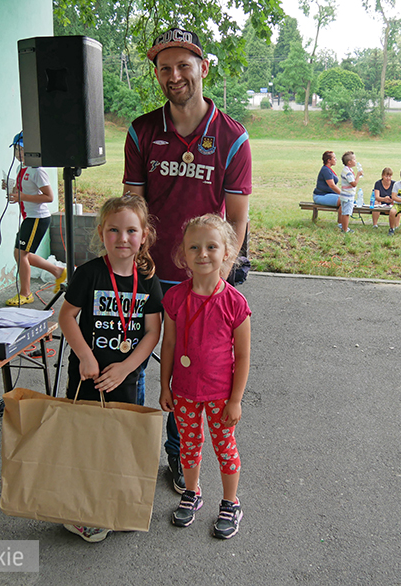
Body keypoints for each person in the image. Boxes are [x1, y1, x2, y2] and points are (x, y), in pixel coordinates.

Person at [122, 27, 251, 495]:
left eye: (184, 65)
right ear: (156, 72)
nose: (174, 75)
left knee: (191, 371)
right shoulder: (141, 131)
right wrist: (128, 260)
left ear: (203, 68)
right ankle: (131, 455)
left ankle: (179, 459)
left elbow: (236, 218)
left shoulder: (232, 137)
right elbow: (132, 205)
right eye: (164, 67)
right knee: (134, 363)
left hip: (200, 280)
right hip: (151, 274)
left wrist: (219, 275)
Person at [57, 195, 163, 543]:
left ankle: (118, 506)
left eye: (131, 230)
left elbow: (152, 332)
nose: (122, 237)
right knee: (88, 444)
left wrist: (127, 367)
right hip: (88, 377)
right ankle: (82, 512)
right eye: (114, 230)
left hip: (127, 379)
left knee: (121, 443)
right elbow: (66, 316)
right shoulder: (88, 273)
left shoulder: (147, 278)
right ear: (101, 232)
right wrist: (86, 356)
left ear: (144, 235)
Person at [159, 214, 251, 539]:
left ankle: (230, 502)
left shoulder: (235, 303)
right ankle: (192, 492)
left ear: (227, 251)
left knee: (224, 447)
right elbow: (168, 344)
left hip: (221, 395)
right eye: (194, 247)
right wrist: (164, 385)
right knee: (189, 445)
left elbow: (242, 356)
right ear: (182, 255)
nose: (202, 253)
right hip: (183, 391)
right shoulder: (173, 298)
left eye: (211, 246)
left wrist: (236, 400)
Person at [3, 132, 66, 305]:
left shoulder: (37, 171)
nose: (18, 154)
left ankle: (25, 293)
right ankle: (58, 272)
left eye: (22, 150)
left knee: (21, 254)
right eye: (16, 150)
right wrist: (10, 188)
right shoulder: (20, 168)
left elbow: (49, 197)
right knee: (22, 254)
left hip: (38, 218)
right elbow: (20, 192)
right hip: (28, 217)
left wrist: (22, 197)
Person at [313, 150, 342, 226]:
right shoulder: (325, 170)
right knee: (344, 200)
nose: (336, 160)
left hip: (328, 195)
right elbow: (332, 185)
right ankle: (340, 224)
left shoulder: (329, 169)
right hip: (320, 196)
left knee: (348, 200)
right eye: (334, 158)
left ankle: (342, 223)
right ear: (329, 160)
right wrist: (343, 194)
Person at [339, 151, 363, 233]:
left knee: (344, 212)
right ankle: (345, 230)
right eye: (354, 159)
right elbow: (354, 184)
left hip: (344, 195)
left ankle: (344, 227)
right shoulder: (348, 172)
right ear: (349, 162)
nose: (356, 161)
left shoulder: (348, 169)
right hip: (347, 197)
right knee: (346, 213)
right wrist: (358, 175)